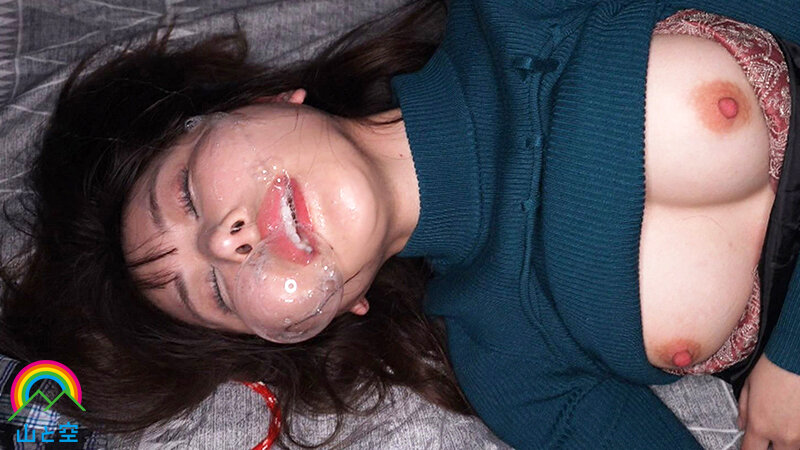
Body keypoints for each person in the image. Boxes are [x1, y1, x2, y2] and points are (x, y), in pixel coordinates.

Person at [1, 0, 799, 448]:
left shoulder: (514, 12)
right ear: (315, 321)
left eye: (184, 195)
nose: (226, 241)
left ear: (262, 101)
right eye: (212, 290)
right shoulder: (507, 370)